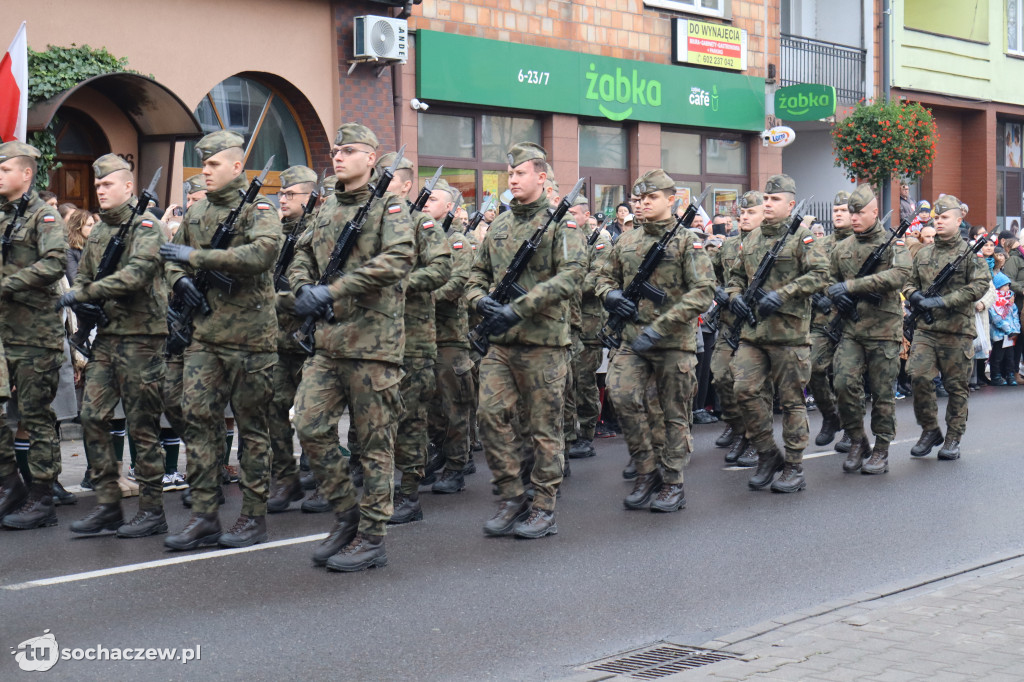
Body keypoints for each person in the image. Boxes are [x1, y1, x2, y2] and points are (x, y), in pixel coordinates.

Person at [289, 122, 415, 572]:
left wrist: (334, 290)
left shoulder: (390, 208)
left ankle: (373, 536)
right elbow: (302, 254)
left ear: (370, 158)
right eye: (336, 150)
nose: (338, 156)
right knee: (309, 424)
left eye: (349, 150)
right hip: (328, 342)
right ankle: (346, 514)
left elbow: (399, 259)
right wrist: (305, 287)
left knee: (375, 445)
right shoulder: (324, 209)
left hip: (373, 345)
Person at [160, 130, 282, 550]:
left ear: (236, 166)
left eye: (213, 165)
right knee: (197, 420)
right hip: (206, 337)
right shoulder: (196, 215)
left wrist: (198, 259)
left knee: (252, 429)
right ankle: (205, 515)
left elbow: (263, 253)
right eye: (202, 164)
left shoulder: (259, 208)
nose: (205, 172)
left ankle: (253, 516)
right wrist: (180, 281)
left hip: (251, 339)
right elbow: (170, 258)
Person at [465, 141, 585, 539]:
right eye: (510, 174)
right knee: (489, 416)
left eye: (520, 173)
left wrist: (521, 308)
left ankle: (544, 506)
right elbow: (475, 274)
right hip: (501, 343)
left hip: (543, 344)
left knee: (543, 428)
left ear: (542, 177)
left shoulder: (561, 224)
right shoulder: (498, 225)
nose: (512, 179)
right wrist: (479, 300)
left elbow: (570, 276)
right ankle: (512, 495)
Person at [57, 154, 170, 536]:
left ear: (128, 187)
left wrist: (85, 293)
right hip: (107, 337)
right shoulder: (101, 231)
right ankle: (108, 503)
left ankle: (152, 509)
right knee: (91, 415)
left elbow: (137, 275)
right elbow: (85, 276)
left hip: (142, 338)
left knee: (142, 423)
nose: (101, 190)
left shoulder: (148, 227)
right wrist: (85, 302)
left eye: (108, 184)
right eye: (98, 185)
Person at [595, 169, 715, 511]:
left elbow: (703, 291)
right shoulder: (627, 240)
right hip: (633, 340)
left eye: (651, 198)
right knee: (621, 395)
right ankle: (646, 470)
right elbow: (601, 275)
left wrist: (661, 326)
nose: (643, 204)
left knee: (672, 414)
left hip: (672, 342)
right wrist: (610, 294)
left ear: (670, 199)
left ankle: (673, 482)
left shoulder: (686, 241)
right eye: (639, 199)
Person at [724, 174, 829, 493]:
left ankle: (794, 466)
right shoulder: (751, 239)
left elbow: (820, 275)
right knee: (743, 389)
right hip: (754, 332)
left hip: (789, 334)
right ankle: (768, 453)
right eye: (765, 200)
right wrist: (735, 297)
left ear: (790, 205)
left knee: (791, 400)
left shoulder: (802, 237)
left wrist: (784, 294)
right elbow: (736, 277)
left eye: (774, 200)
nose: (768, 204)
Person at [379, 152, 451, 525]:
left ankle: (408, 493)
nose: (379, 183)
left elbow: (441, 268)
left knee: (409, 417)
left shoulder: (421, 223)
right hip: (374, 337)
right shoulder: (371, 221)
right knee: (378, 418)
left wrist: (401, 283)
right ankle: (380, 487)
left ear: (407, 185)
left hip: (413, 337)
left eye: (387, 178)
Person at [825, 185, 911, 475]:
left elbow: (900, 275)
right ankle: (858, 440)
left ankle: (882, 449)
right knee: (843, 384)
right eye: (851, 212)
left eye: (860, 212)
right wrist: (837, 296)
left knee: (883, 394)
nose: (855, 218)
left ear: (875, 212)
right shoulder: (842, 248)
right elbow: (828, 278)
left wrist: (852, 286)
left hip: (884, 330)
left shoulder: (893, 244)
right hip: (851, 328)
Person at [0, 142, 63, 528]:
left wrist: (7, 285)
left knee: (36, 416)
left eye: (5, 169)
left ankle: (42, 496)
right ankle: (9, 483)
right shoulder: (3, 217)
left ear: (26, 174)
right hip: (4, 333)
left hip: (34, 334)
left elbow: (55, 262)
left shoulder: (44, 216)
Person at [903, 195, 991, 460]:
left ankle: (953, 437)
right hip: (926, 330)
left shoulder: (969, 255)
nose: (939, 222)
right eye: (937, 218)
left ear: (958, 220)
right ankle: (930, 429)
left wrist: (943, 301)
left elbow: (980, 285)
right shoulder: (923, 252)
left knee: (956, 387)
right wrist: (913, 295)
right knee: (918, 375)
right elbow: (908, 281)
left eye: (944, 218)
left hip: (956, 330)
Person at [265, 165, 319, 514]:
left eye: (290, 194)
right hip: (278, 340)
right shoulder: (271, 231)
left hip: (311, 339)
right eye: (280, 194)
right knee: (273, 409)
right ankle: (286, 479)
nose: (282, 199)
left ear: (310, 197)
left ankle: (319, 476)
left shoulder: (318, 230)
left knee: (313, 417)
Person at [427, 179, 476, 492]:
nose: (425, 204)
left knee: (453, 406)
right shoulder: (420, 238)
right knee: (430, 408)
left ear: (449, 208)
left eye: (432, 200)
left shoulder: (458, 241)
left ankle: (457, 465)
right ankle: (439, 456)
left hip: (449, 337)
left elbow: (457, 284)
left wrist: (420, 296)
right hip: (422, 337)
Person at [709, 191, 764, 467]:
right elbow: (712, 277)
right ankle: (735, 424)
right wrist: (719, 291)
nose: (744, 216)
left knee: (748, 385)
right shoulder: (729, 247)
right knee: (720, 377)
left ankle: (752, 436)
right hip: (729, 323)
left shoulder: (768, 245)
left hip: (756, 327)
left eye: (750, 212)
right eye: (741, 212)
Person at [567, 197, 612, 460]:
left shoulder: (599, 243)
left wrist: (560, 285)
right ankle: (567, 432)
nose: (569, 217)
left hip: (588, 323)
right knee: (565, 382)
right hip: (564, 323)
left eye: (573, 213)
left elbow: (595, 280)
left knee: (584, 381)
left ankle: (585, 433)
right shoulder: (561, 239)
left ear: (585, 215)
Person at [808, 192, 854, 452]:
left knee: (846, 377)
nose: (837, 213)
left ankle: (850, 427)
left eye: (843, 210)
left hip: (851, 320)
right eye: (835, 210)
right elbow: (807, 276)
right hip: (824, 319)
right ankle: (830, 415)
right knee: (812, 367)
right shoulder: (820, 244)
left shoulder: (862, 243)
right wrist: (817, 297)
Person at [988, 272, 1020, 385]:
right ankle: (996, 376)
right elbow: (996, 318)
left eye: (1008, 285)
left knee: (1010, 357)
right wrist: (1008, 329)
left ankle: (1010, 375)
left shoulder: (1010, 301)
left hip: (1011, 335)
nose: (1007, 288)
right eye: (1005, 285)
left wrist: (1016, 330)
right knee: (997, 356)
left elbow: (1015, 316)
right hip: (999, 334)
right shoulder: (995, 301)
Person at [65, 209, 95, 283]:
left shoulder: (95, 245)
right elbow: (74, 278)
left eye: (94, 224)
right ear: (78, 227)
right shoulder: (68, 250)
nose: (94, 228)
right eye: (89, 225)